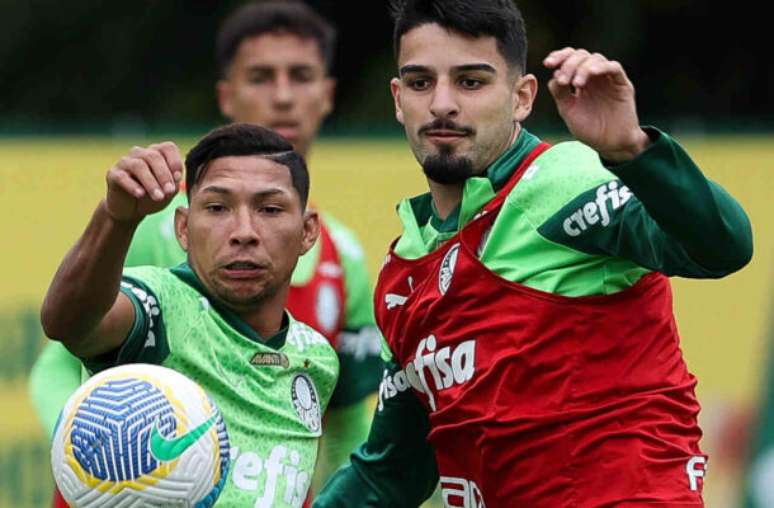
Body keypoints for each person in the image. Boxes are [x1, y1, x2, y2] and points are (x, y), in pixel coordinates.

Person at [312, 0, 754, 506]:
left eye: (470, 82)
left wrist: (633, 149)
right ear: (397, 98)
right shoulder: (404, 271)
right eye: (419, 83)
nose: (441, 104)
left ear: (522, 97)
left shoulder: (564, 181)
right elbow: (392, 470)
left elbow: (723, 247)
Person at [29, 0, 381, 489]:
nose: (283, 97)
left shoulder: (344, 259)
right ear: (226, 94)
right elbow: (68, 339)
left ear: (326, 95)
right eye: (261, 77)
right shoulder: (149, 225)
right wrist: (95, 460)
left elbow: (344, 420)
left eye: (300, 76)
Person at [41, 123, 340, 506]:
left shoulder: (316, 358)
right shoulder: (160, 305)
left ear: (307, 231)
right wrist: (116, 218)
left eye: (269, 209)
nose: (243, 232)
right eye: (217, 208)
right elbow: (68, 324)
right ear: (183, 228)